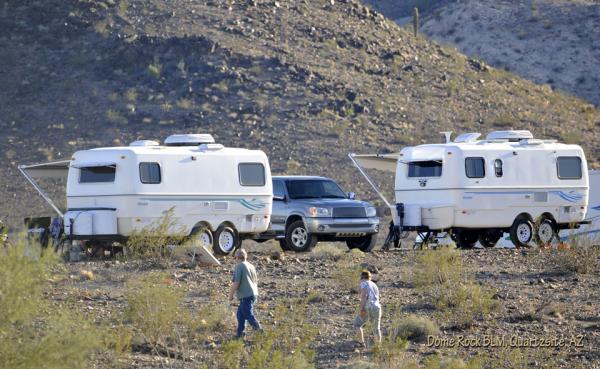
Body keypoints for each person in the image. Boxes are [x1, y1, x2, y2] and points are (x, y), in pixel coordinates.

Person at [229, 248, 262, 338]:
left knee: (248, 314)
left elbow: (236, 283)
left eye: (235, 258)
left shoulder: (239, 266)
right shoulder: (251, 266)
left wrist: (231, 295)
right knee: (240, 314)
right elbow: (255, 281)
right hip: (253, 293)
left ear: (237, 257)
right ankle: (240, 334)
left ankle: (260, 331)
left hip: (246, 295)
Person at [354, 270, 382, 346]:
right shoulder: (374, 285)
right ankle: (378, 346)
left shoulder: (364, 283)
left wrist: (361, 309)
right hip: (377, 307)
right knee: (376, 329)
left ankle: (361, 342)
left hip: (368, 306)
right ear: (369, 277)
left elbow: (364, 296)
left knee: (357, 324)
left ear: (362, 277)